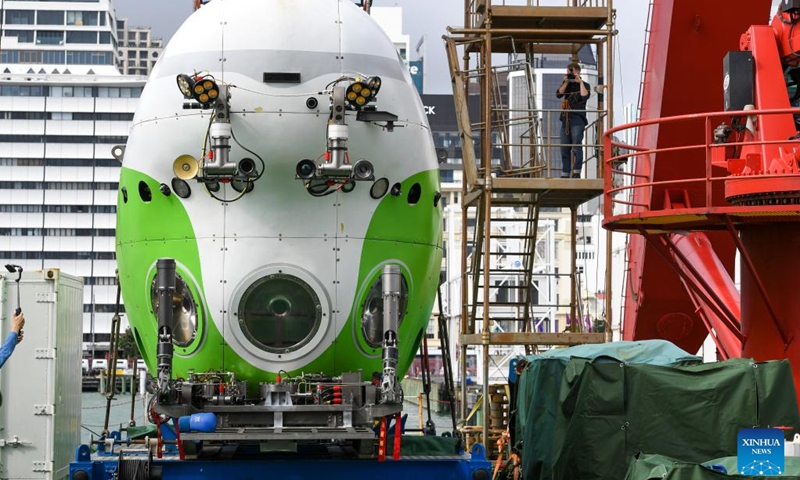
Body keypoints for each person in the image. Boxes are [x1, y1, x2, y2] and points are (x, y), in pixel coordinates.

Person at [556, 62, 591, 178]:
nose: (570, 73)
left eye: (572, 71)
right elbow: (559, 94)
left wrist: (580, 82)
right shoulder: (566, 84)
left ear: (578, 71)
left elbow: (584, 96)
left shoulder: (585, 85)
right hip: (566, 119)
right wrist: (566, 81)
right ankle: (565, 172)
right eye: (568, 71)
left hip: (578, 118)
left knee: (576, 145)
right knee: (564, 146)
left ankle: (576, 171)